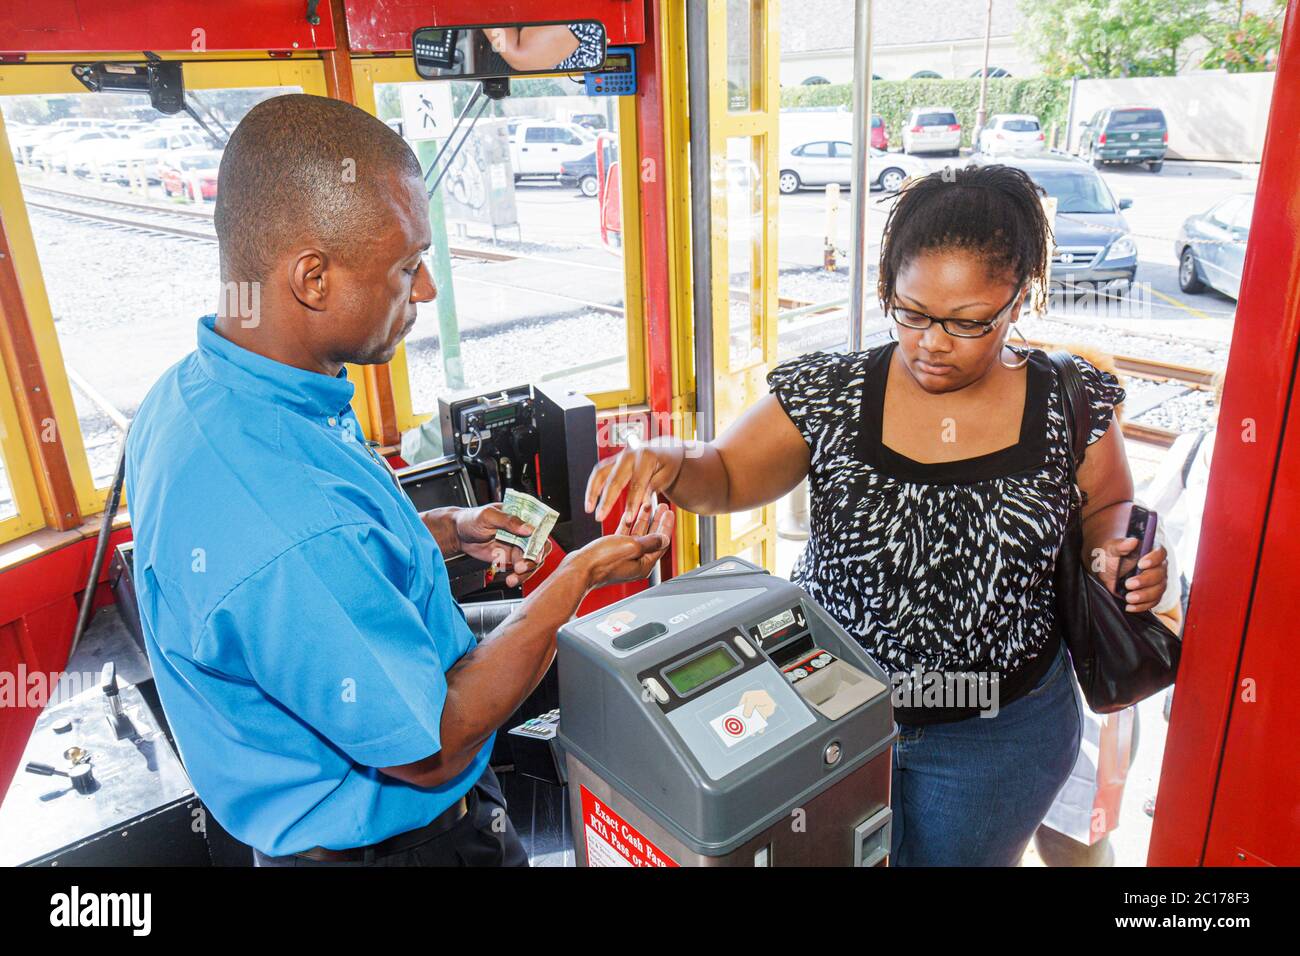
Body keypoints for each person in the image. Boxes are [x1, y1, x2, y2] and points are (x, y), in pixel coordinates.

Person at [125, 94, 673, 867]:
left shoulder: (201, 394)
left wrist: (445, 530)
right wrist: (580, 574)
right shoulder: (283, 517)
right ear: (312, 277)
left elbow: (315, 581)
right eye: (408, 267)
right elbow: (434, 747)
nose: (425, 293)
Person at [584, 164, 1169, 866]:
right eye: (911, 312)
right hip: (822, 717)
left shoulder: (1068, 403)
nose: (932, 343)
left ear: (1020, 299)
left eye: (967, 323)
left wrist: (1113, 553)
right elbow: (729, 470)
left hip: (997, 737)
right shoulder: (834, 390)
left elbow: (1108, 505)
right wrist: (673, 461)